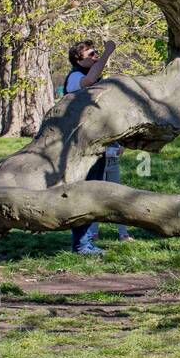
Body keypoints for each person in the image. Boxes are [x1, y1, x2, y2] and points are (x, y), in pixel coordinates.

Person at [64, 39, 131, 254]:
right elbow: (90, 79)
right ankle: (82, 244)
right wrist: (108, 53)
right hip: (80, 147)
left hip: (93, 144)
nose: (95, 56)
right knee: (86, 190)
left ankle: (85, 242)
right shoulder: (76, 77)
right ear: (78, 59)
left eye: (97, 53)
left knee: (91, 190)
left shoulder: (91, 79)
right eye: (91, 54)